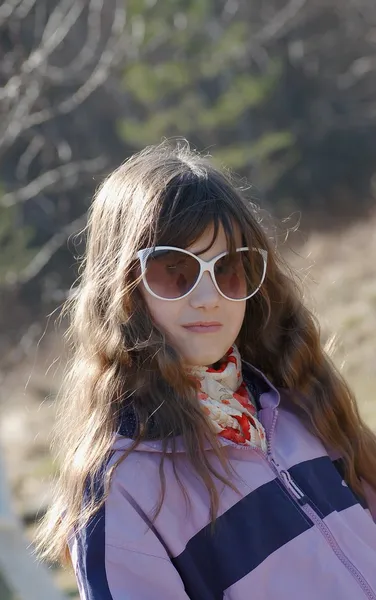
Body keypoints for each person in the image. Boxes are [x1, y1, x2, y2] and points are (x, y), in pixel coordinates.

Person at [35, 141, 376, 600]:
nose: (207, 295)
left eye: (229, 268)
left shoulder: (299, 402)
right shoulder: (121, 490)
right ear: (122, 289)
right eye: (174, 271)